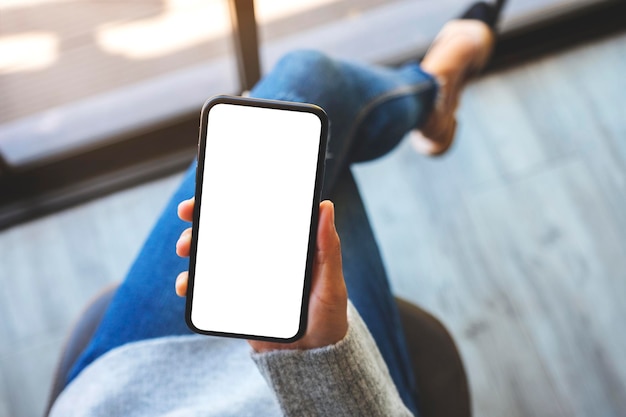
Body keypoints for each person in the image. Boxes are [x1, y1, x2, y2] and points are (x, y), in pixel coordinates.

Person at [49, 2, 500, 416]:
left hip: (127, 391)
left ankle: (429, 95)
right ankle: (430, 92)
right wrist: (317, 368)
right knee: (306, 128)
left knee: (297, 110)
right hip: (322, 392)